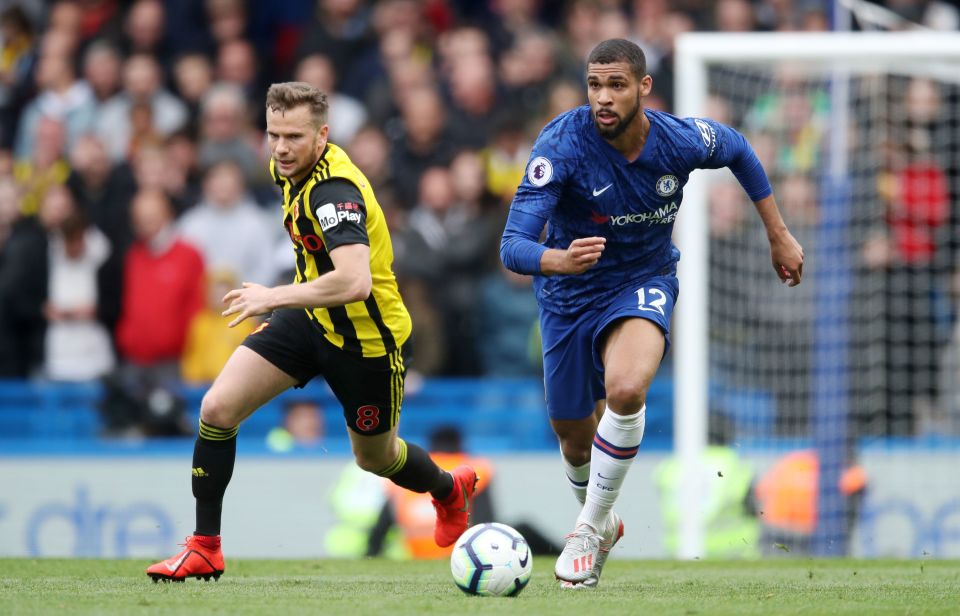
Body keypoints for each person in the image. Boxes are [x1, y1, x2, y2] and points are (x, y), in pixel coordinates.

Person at [499, 39, 804, 588]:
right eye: (594, 85)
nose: (603, 98)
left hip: (643, 280)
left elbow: (738, 149)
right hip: (569, 294)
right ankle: (603, 520)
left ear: (643, 88)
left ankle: (588, 528)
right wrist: (557, 260)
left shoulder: (678, 141)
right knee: (572, 434)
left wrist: (777, 234)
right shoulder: (560, 146)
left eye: (616, 85)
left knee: (627, 388)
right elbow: (512, 245)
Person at [146, 82, 477, 582]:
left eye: (293, 137)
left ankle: (449, 490)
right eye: (273, 134)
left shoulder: (332, 192)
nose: (280, 147)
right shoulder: (288, 169)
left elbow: (354, 280)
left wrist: (272, 296)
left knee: (376, 458)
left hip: (366, 339)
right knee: (216, 408)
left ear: (322, 135)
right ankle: (204, 547)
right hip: (309, 319)